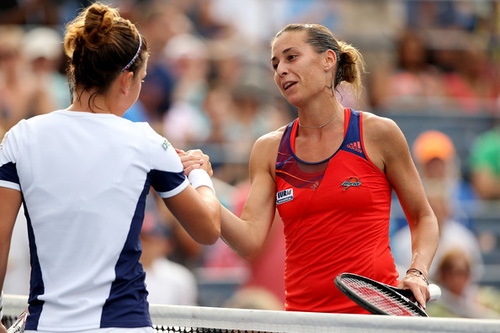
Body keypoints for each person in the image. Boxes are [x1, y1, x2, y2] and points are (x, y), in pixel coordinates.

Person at [179, 23, 439, 314]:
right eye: (275, 64)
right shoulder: (269, 149)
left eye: (291, 57)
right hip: (304, 320)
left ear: (329, 60)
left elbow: (423, 216)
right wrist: (202, 184)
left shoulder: (379, 133)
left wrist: (417, 271)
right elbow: (249, 241)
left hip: (375, 318)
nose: (280, 71)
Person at [0, 3, 220, 333]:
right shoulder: (145, 141)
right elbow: (208, 230)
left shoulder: (21, 136)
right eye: (142, 79)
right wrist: (200, 173)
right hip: (123, 324)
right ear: (126, 79)